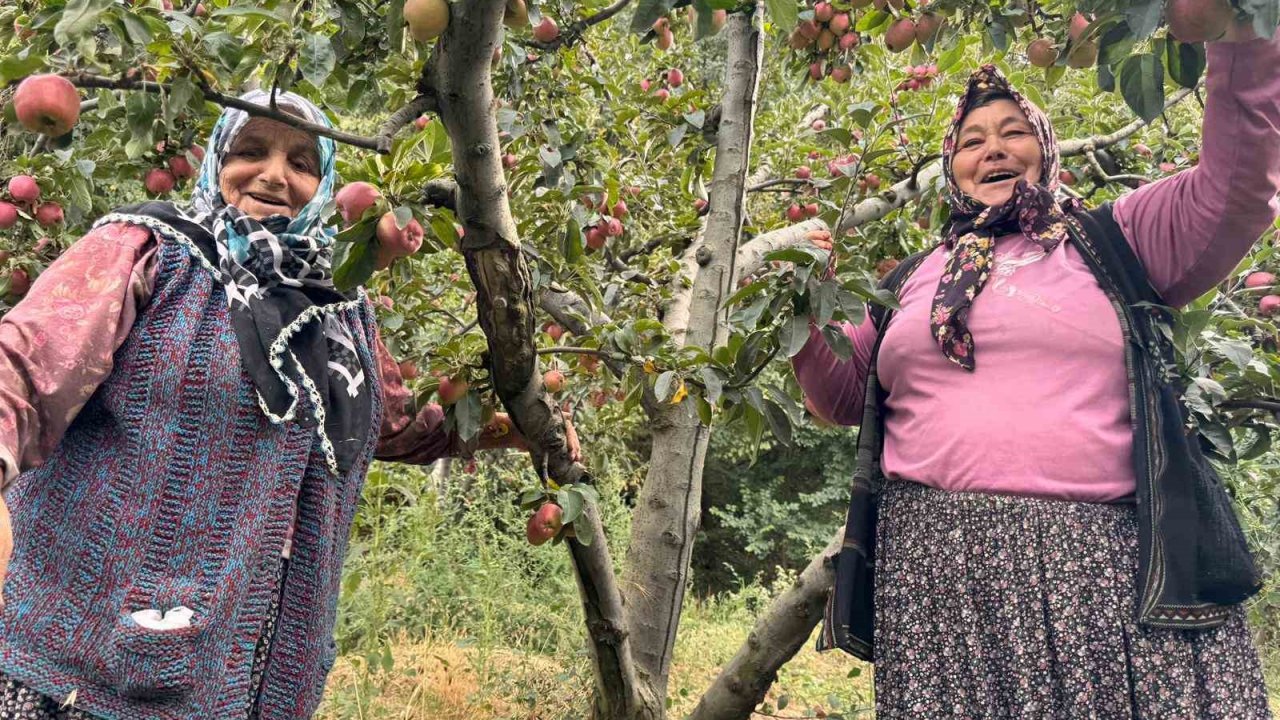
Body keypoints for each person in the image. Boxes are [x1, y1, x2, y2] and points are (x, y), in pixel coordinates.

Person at [0, 90, 576, 719]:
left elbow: (391, 424)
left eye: (301, 163)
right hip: (83, 661)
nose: (275, 175)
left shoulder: (339, 306)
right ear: (217, 160)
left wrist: (501, 430)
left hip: (259, 662)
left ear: (323, 183)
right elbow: (30, 361)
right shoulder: (148, 249)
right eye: (251, 151)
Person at [796, 19, 1280, 720]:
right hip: (935, 579)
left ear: (1045, 148)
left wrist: (1240, 32)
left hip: (1101, 570)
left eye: (1013, 132)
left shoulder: (1115, 238)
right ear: (952, 166)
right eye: (971, 141)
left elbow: (1237, 189)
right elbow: (840, 396)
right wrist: (807, 296)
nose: (992, 148)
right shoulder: (912, 280)